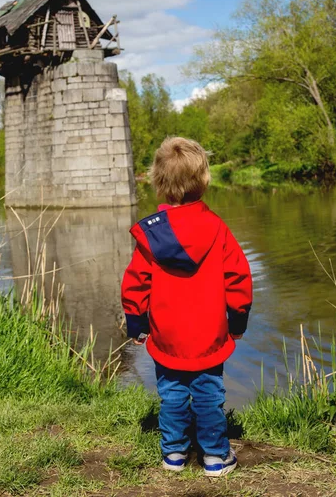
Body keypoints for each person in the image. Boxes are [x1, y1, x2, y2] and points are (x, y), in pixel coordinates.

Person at [121, 137, 252, 477]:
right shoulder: (217, 228)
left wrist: (136, 323)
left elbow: (135, 282)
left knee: (173, 394)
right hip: (209, 334)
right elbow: (239, 277)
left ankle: (174, 455)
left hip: (167, 336)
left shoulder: (152, 236)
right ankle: (215, 457)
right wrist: (237, 320)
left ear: (158, 183)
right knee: (209, 394)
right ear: (204, 181)